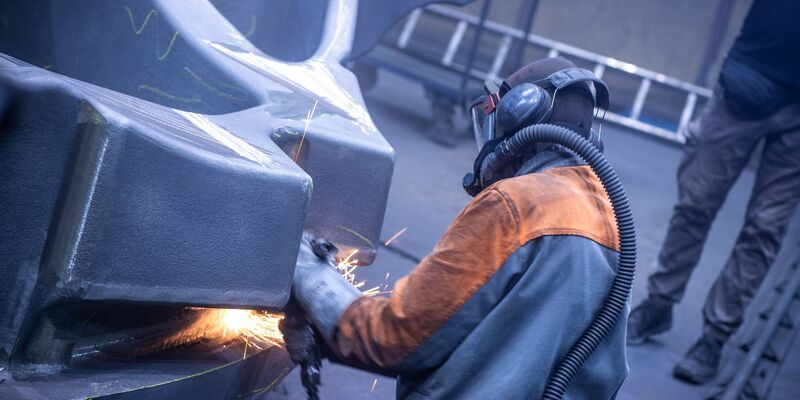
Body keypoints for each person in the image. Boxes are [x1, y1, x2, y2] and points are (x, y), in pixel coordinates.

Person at [284, 57, 628, 399]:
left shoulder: (515, 204)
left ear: (518, 114)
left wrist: (312, 275)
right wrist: (325, 336)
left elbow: (395, 339)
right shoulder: (611, 218)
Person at [627, 0, 800, 385]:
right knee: (695, 202)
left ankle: (715, 337)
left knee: (764, 228)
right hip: (751, 77)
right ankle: (659, 304)